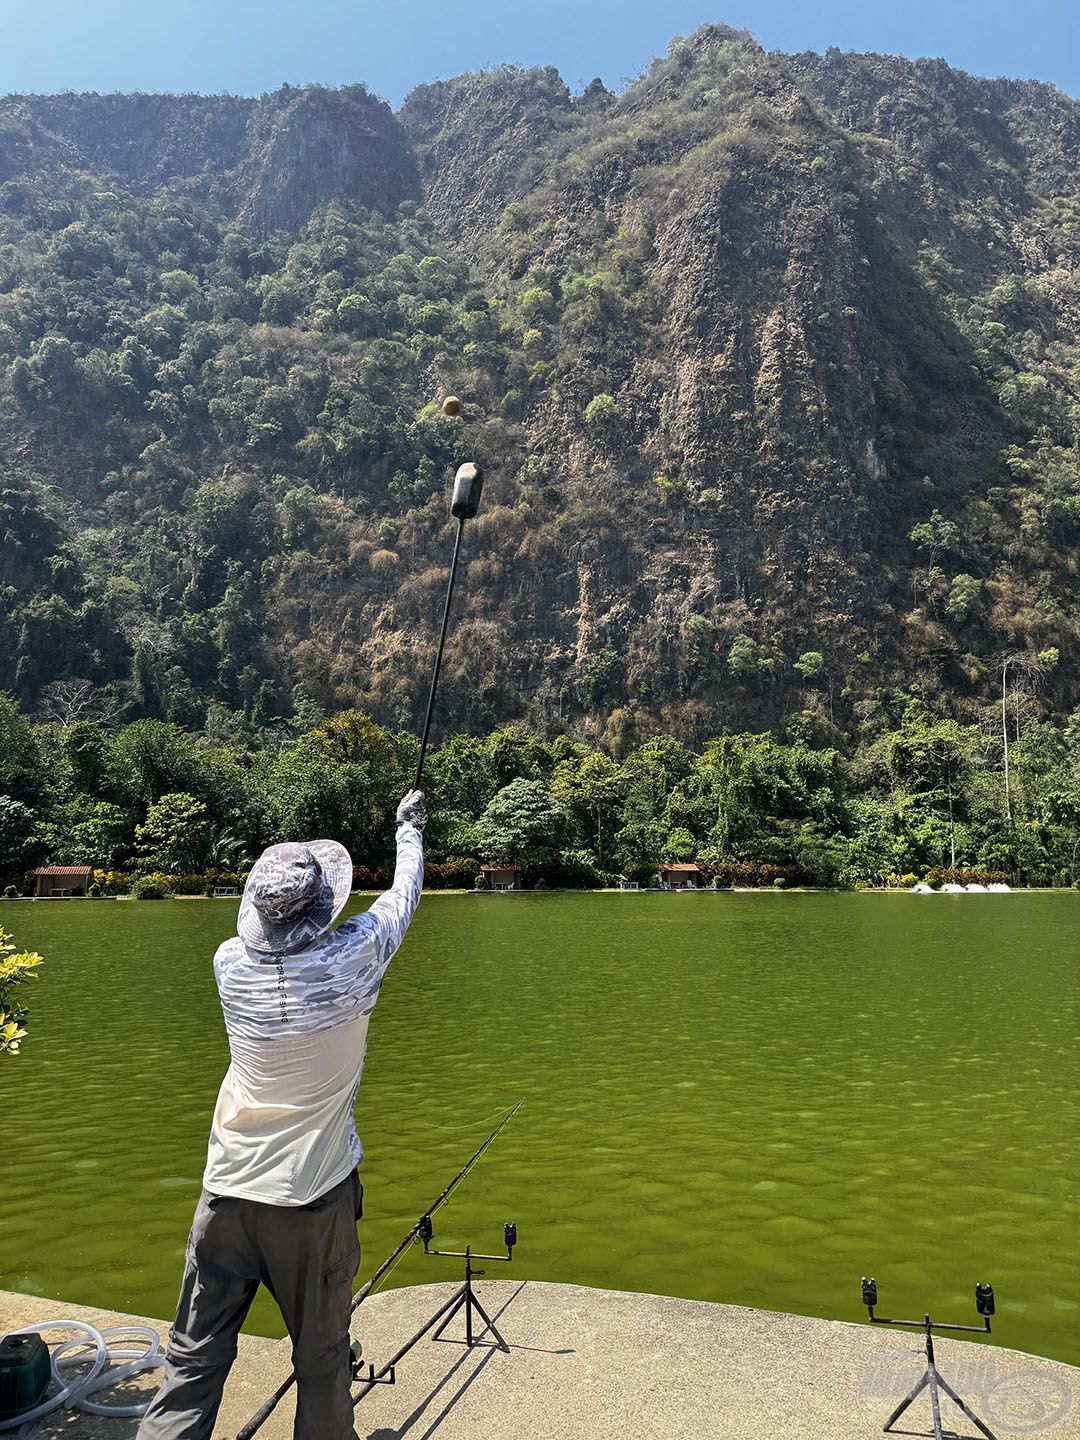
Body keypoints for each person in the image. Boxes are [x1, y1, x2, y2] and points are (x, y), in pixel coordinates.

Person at [137, 789, 427, 1440]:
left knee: (192, 1361)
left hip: (225, 1193)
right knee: (322, 1364)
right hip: (310, 1200)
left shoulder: (227, 964)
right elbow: (403, 898)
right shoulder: (354, 955)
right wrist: (407, 826)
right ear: (323, 905)